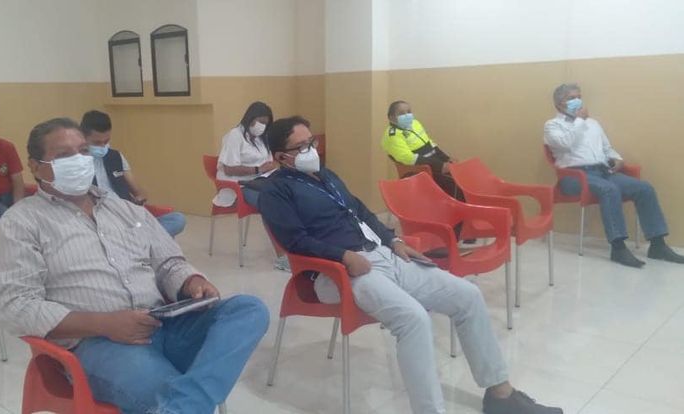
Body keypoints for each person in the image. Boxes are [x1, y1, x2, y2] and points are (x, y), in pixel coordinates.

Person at [259, 116, 562, 414]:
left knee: (468, 296)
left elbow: (360, 211)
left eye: (311, 142)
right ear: (281, 157)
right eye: (301, 147)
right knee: (413, 319)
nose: (311, 150)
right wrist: (343, 257)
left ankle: (500, 395)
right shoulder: (275, 192)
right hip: (335, 272)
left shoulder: (325, 176)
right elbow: (295, 241)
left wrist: (393, 241)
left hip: (380, 255)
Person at [0, 117, 269, 414]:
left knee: (248, 310)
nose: (79, 160)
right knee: (169, 394)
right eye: (64, 155)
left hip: (165, 323)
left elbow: (168, 261)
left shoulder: (122, 208)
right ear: (35, 166)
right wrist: (105, 324)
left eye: (83, 151)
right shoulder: (21, 223)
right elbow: (17, 306)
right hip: (99, 343)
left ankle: (184, 405)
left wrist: (191, 281)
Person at [544, 83, 684, 268]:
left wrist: (617, 159)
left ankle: (658, 245)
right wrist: (579, 121)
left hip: (602, 171)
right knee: (609, 190)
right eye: (571, 98)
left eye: (579, 96)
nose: (577, 101)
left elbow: (607, 148)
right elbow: (565, 143)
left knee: (644, 188)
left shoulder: (593, 124)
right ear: (559, 104)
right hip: (573, 176)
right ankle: (618, 248)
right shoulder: (552, 125)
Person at [80, 110, 187, 237]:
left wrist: (139, 198)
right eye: (97, 143)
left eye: (106, 141)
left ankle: (139, 239)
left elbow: (139, 192)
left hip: (127, 214)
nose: (103, 147)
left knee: (178, 219)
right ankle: (143, 239)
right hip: (102, 219)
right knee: (159, 235)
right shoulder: (76, 163)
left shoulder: (115, 156)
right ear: (82, 138)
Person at [215, 101, 288, 270]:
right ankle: (282, 257)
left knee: (289, 197)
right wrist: (257, 169)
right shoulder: (235, 135)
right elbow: (229, 168)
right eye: (260, 121)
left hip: (259, 181)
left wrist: (271, 166)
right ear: (250, 118)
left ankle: (296, 247)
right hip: (239, 185)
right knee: (270, 204)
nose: (262, 126)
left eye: (266, 123)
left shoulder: (262, 139)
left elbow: (267, 162)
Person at [381, 100, 461, 200]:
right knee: (456, 183)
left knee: (462, 174)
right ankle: (455, 208)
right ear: (391, 117)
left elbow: (429, 143)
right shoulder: (392, 136)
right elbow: (408, 158)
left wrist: (446, 158)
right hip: (421, 170)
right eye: (401, 113)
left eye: (409, 112)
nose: (407, 115)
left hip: (433, 163)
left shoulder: (415, 123)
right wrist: (440, 166)